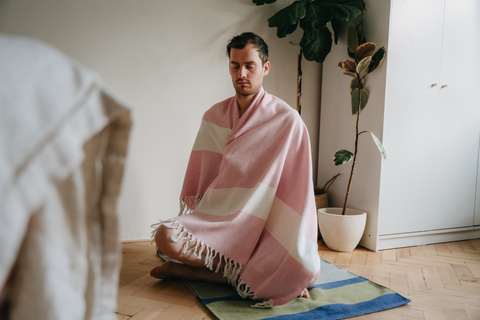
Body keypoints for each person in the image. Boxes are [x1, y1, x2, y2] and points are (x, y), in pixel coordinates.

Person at [150, 32, 320, 308]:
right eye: (235, 65)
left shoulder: (288, 121)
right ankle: (243, 275)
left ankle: (197, 273)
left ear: (265, 68)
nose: (242, 73)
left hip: (266, 226)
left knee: (306, 270)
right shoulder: (214, 116)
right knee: (165, 237)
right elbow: (205, 182)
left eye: (249, 65)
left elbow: (298, 193)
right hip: (220, 221)